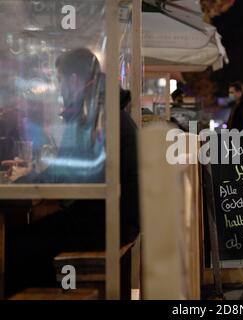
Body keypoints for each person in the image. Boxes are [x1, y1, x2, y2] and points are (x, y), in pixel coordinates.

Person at [4, 48, 140, 295]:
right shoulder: (101, 109)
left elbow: (66, 173)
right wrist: (33, 176)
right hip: (114, 216)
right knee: (31, 239)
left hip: (107, 222)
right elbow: (70, 167)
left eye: (60, 81)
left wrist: (21, 183)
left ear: (74, 80)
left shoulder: (92, 115)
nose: (59, 89)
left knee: (17, 246)